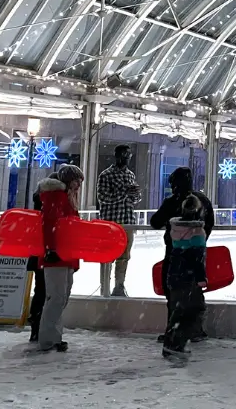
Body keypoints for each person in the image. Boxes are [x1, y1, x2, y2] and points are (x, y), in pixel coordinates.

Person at [150, 167, 213, 341]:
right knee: (195, 291)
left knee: (174, 293)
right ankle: (195, 330)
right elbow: (210, 223)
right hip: (197, 249)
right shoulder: (202, 200)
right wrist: (200, 237)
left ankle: (174, 330)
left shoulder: (172, 202)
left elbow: (155, 222)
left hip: (174, 251)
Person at [37, 164, 83, 352]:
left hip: (63, 255)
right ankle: (48, 339)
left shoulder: (65, 198)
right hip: (56, 255)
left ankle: (53, 336)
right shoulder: (58, 197)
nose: (79, 185)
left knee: (60, 297)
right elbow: (50, 224)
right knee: (56, 297)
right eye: (77, 181)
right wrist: (52, 248)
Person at [161, 195, 207, 359]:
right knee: (194, 310)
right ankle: (177, 344)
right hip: (188, 276)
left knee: (177, 310)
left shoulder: (175, 228)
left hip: (173, 273)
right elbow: (197, 257)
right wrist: (201, 277)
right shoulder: (197, 232)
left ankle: (170, 344)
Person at [96, 144, 140, 297]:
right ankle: (105, 287)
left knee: (124, 257)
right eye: (124, 155)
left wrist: (135, 195)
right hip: (111, 224)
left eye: (129, 156)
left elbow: (133, 200)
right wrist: (124, 192)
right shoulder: (106, 175)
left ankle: (119, 286)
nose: (127, 158)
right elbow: (103, 197)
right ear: (117, 156)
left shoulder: (130, 175)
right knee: (107, 256)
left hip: (127, 222)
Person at [26, 171, 56, 343]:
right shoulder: (50, 204)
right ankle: (40, 325)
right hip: (46, 253)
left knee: (40, 289)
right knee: (46, 291)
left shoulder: (39, 201)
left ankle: (36, 324)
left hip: (38, 252)